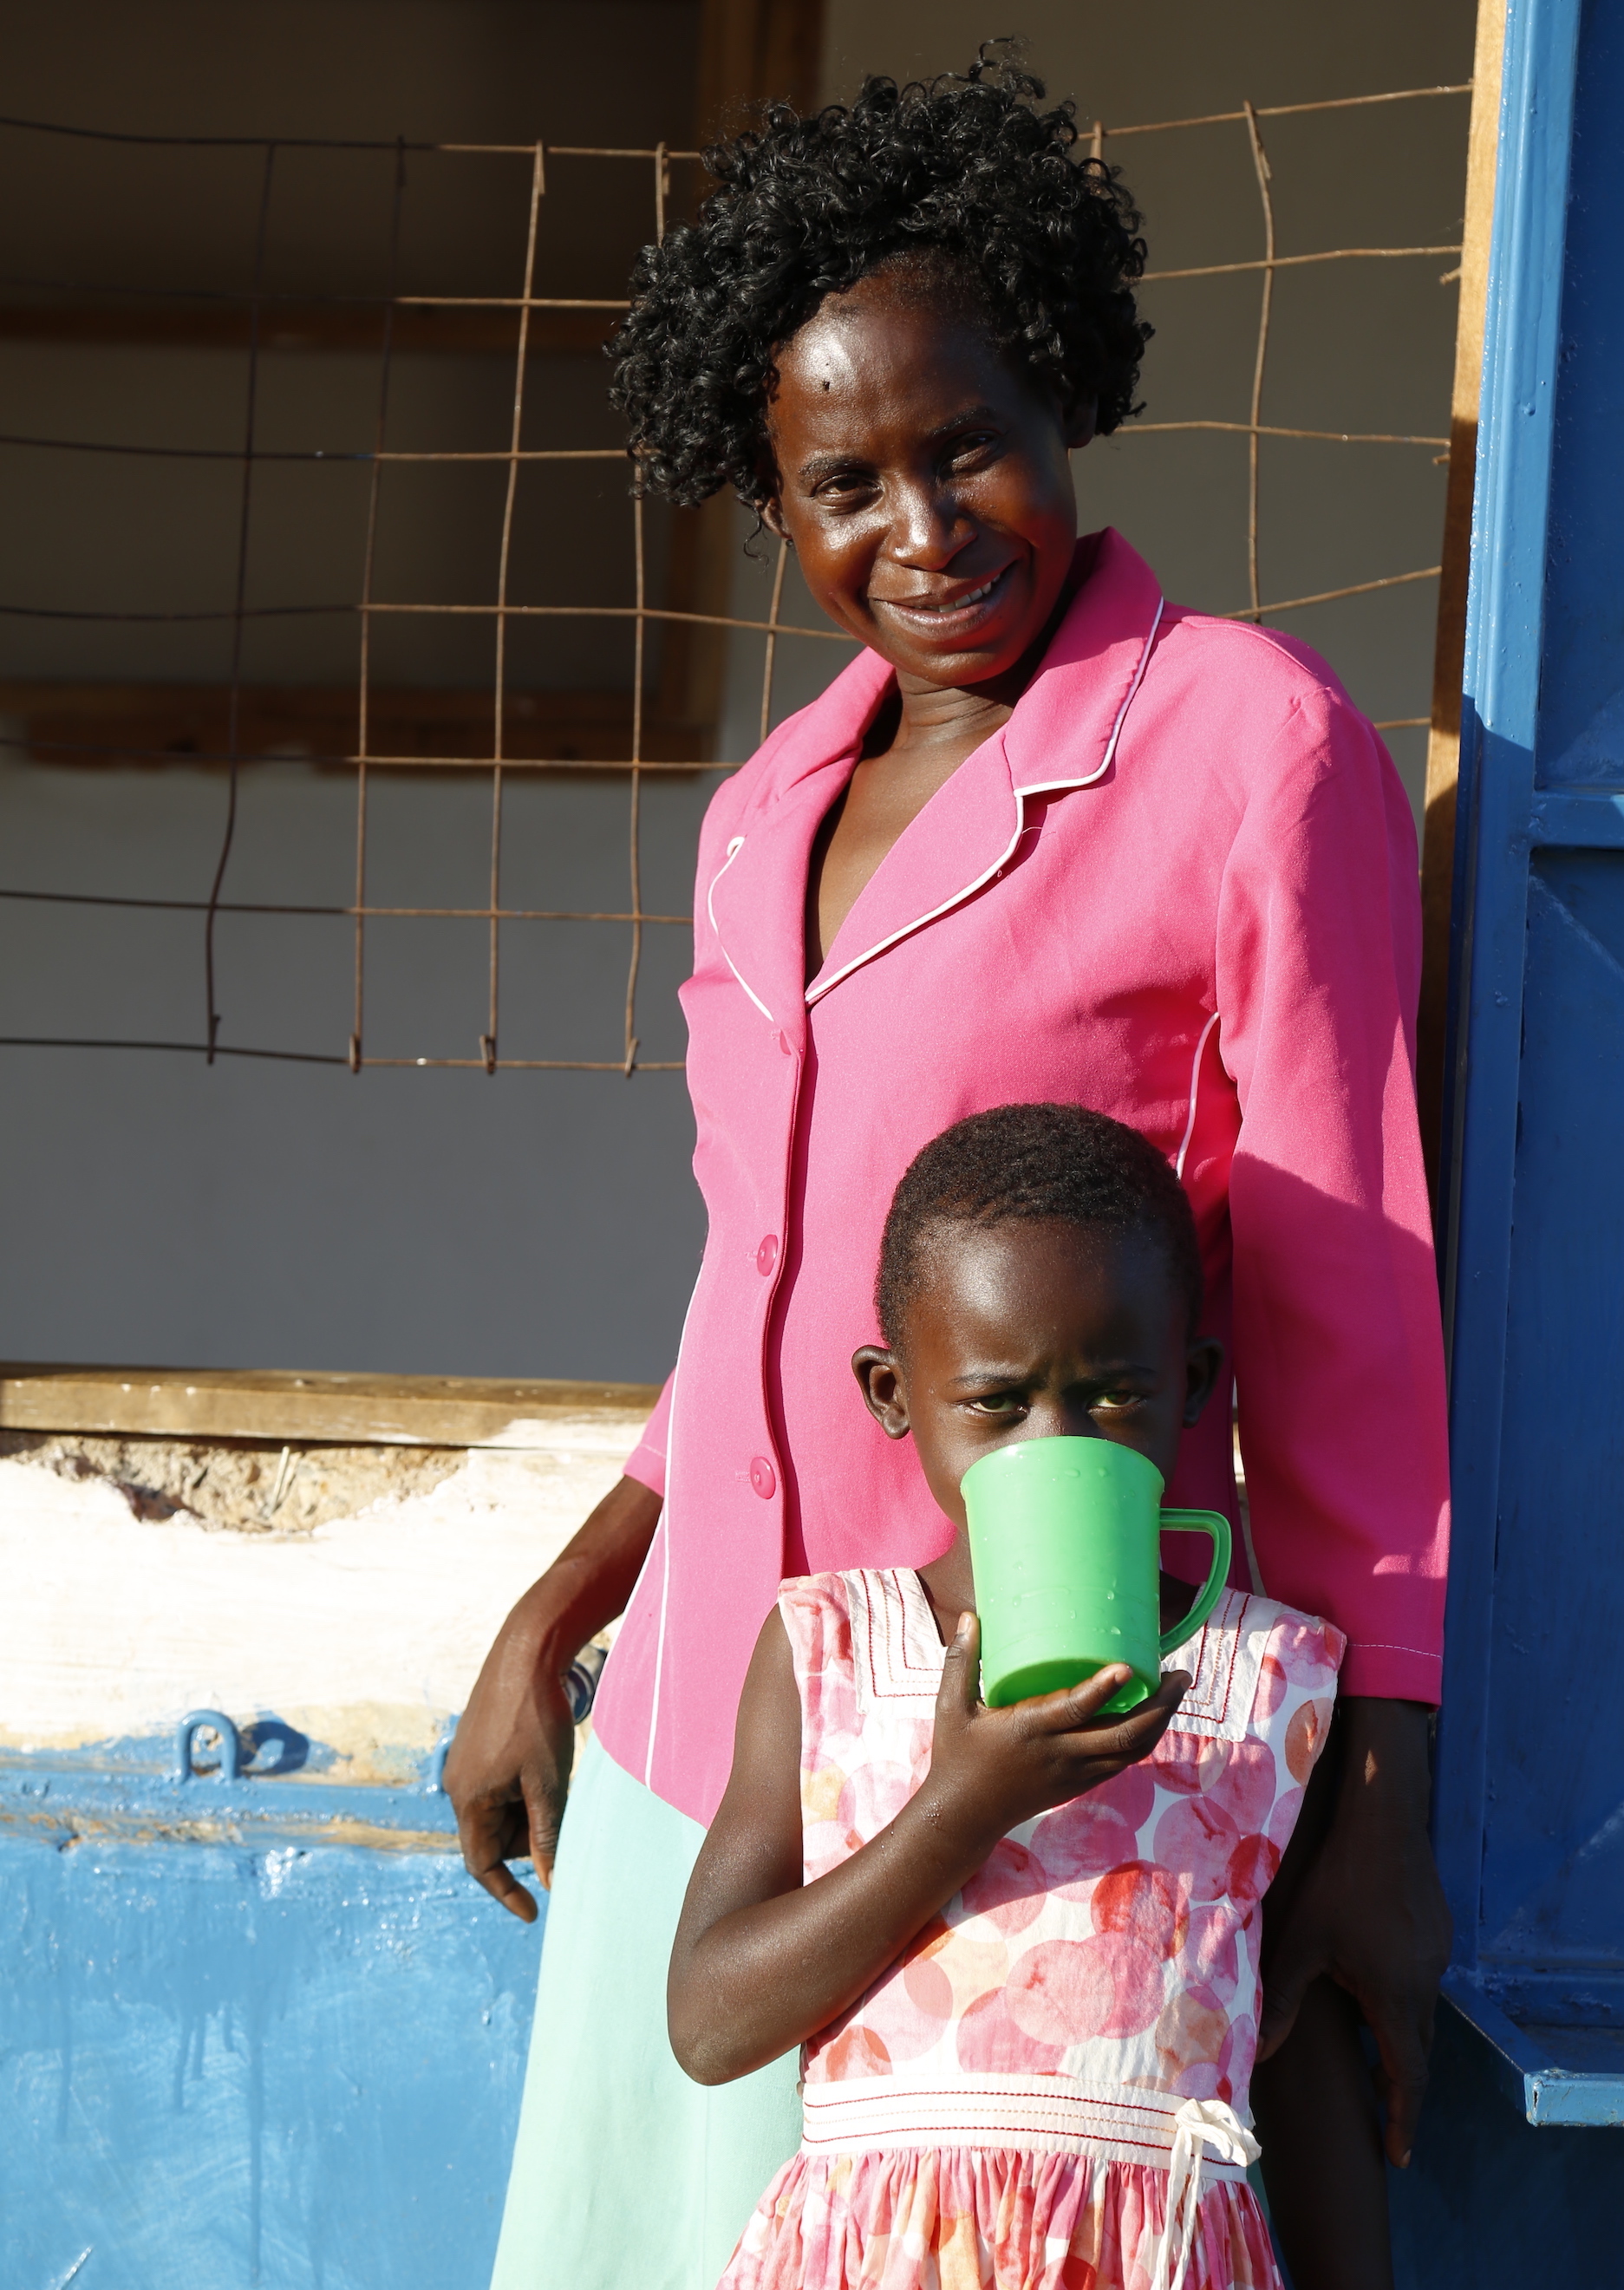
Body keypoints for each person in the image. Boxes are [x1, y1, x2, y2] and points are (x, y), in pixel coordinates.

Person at [449, 59, 1451, 2290]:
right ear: (766, 497)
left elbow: (1347, 1298)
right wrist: (566, 1605)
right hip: (723, 1723)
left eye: (965, 442)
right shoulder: (759, 817)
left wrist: (1378, 1793)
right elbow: (764, 1286)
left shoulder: (1243, 749)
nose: (922, 526)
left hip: (1025, 1730)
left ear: (1063, 392)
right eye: (841, 483)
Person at [671, 1102, 1370, 2290]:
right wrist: (964, 1801)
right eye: (995, 1401)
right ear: (893, 1394)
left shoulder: (1269, 1678)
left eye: (1110, 1396)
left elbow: (1296, 2054)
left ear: (1190, 1384)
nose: (1051, 1441)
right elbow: (709, 2018)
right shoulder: (831, 1647)